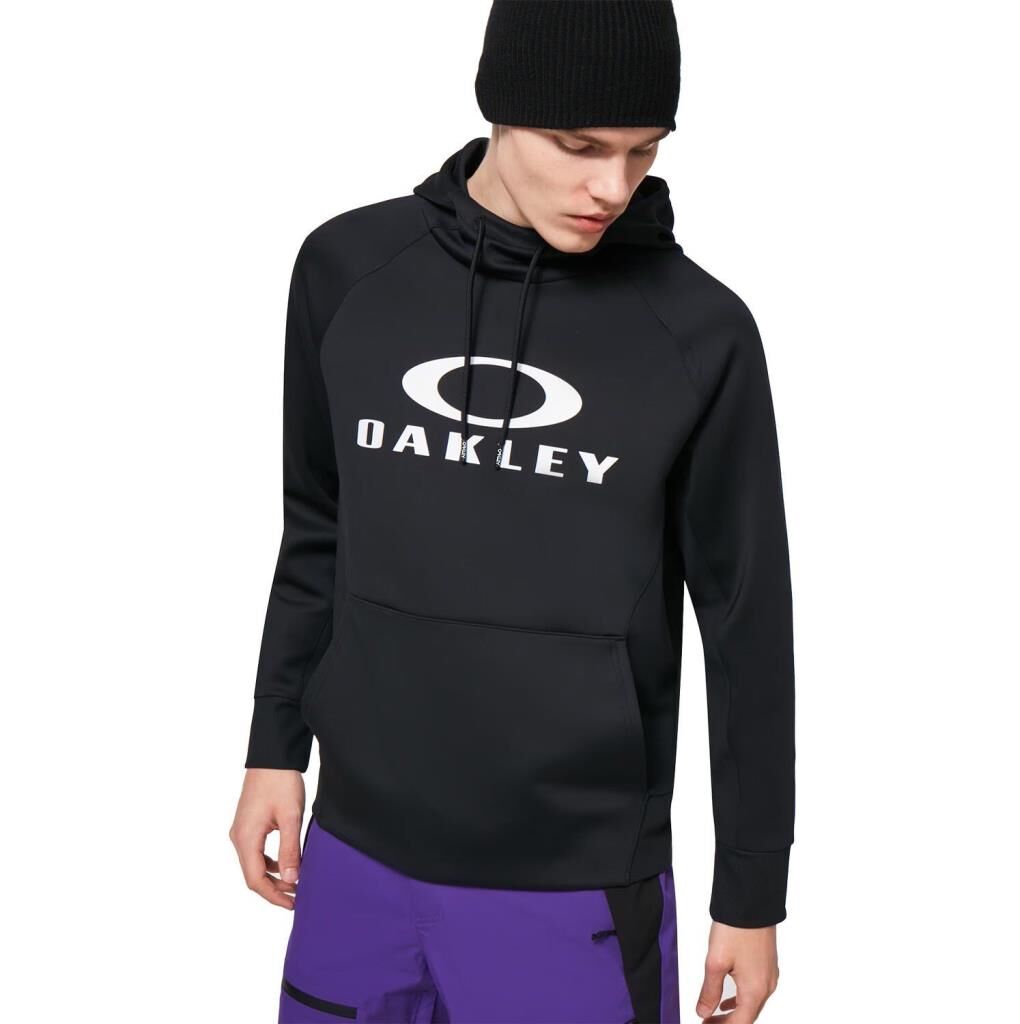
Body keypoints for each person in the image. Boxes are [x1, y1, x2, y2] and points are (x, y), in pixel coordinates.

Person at [228, 3, 794, 1021]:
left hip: (570, 880)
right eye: (579, 146)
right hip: (355, 853)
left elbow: (747, 627)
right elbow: (318, 527)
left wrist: (750, 895)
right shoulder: (349, 271)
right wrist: (275, 743)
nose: (612, 186)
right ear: (499, 109)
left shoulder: (697, 333)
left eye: (643, 150)